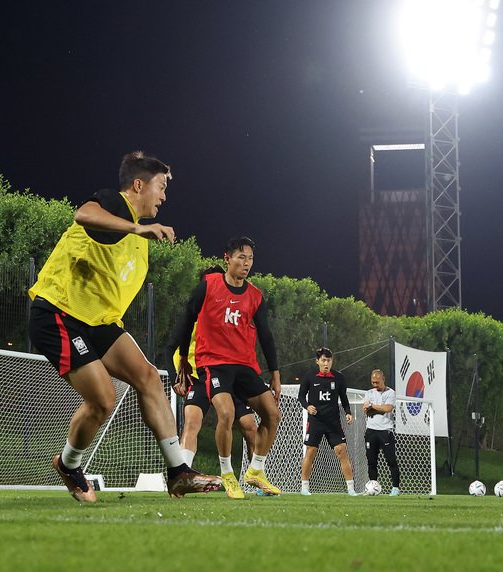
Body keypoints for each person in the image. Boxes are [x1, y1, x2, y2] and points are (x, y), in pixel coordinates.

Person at [28, 152, 221, 502]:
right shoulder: (115, 205)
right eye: (160, 187)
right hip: (59, 312)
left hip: (98, 321)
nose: (164, 196)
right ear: (138, 185)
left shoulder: (139, 236)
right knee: (103, 401)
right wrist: (137, 226)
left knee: (148, 377)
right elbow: (83, 214)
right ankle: (69, 464)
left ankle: (178, 472)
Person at [170, 237, 284, 498]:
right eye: (241, 257)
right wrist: (185, 359)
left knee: (272, 414)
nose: (246, 263)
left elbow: (266, 336)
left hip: (244, 366)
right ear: (227, 258)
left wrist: (275, 373)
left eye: (250, 259)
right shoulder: (208, 286)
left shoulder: (255, 296)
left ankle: (255, 471)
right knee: (226, 413)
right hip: (214, 364)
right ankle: (227, 474)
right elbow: (187, 321)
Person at [298, 348, 357, 495]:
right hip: (316, 421)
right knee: (310, 452)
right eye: (323, 360)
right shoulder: (309, 377)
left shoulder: (339, 378)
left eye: (329, 360)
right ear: (317, 361)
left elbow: (344, 398)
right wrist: (307, 406)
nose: (326, 363)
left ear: (332, 361)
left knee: (342, 451)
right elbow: (301, 397)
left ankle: (351, 489)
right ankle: (304, 488)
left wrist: (348, 412)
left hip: (333, 422)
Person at [362, 369, 401, 496]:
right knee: (371, 461)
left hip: (385, 431)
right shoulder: (368, 393)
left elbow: (388, 408)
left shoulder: (391, 393)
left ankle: (395, 488)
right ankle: (373, 486)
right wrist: (379, 408)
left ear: (383, 379)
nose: (375, 385)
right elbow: (366, 410)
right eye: (373, 382)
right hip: (371, 431)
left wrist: (373, 406)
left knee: (391, 460)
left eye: (377, 382)